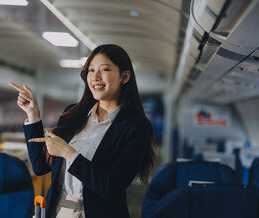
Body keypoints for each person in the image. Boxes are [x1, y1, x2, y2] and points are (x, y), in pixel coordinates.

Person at [9, 44, 156, 218]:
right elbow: (40, 167)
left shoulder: (135, 127)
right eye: (91, 70)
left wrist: (69, 153)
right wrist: (33, 115)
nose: (96, 77)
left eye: (105, 69)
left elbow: (111, 188)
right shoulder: (72, 114)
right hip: (59, 210)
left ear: (124, 76)